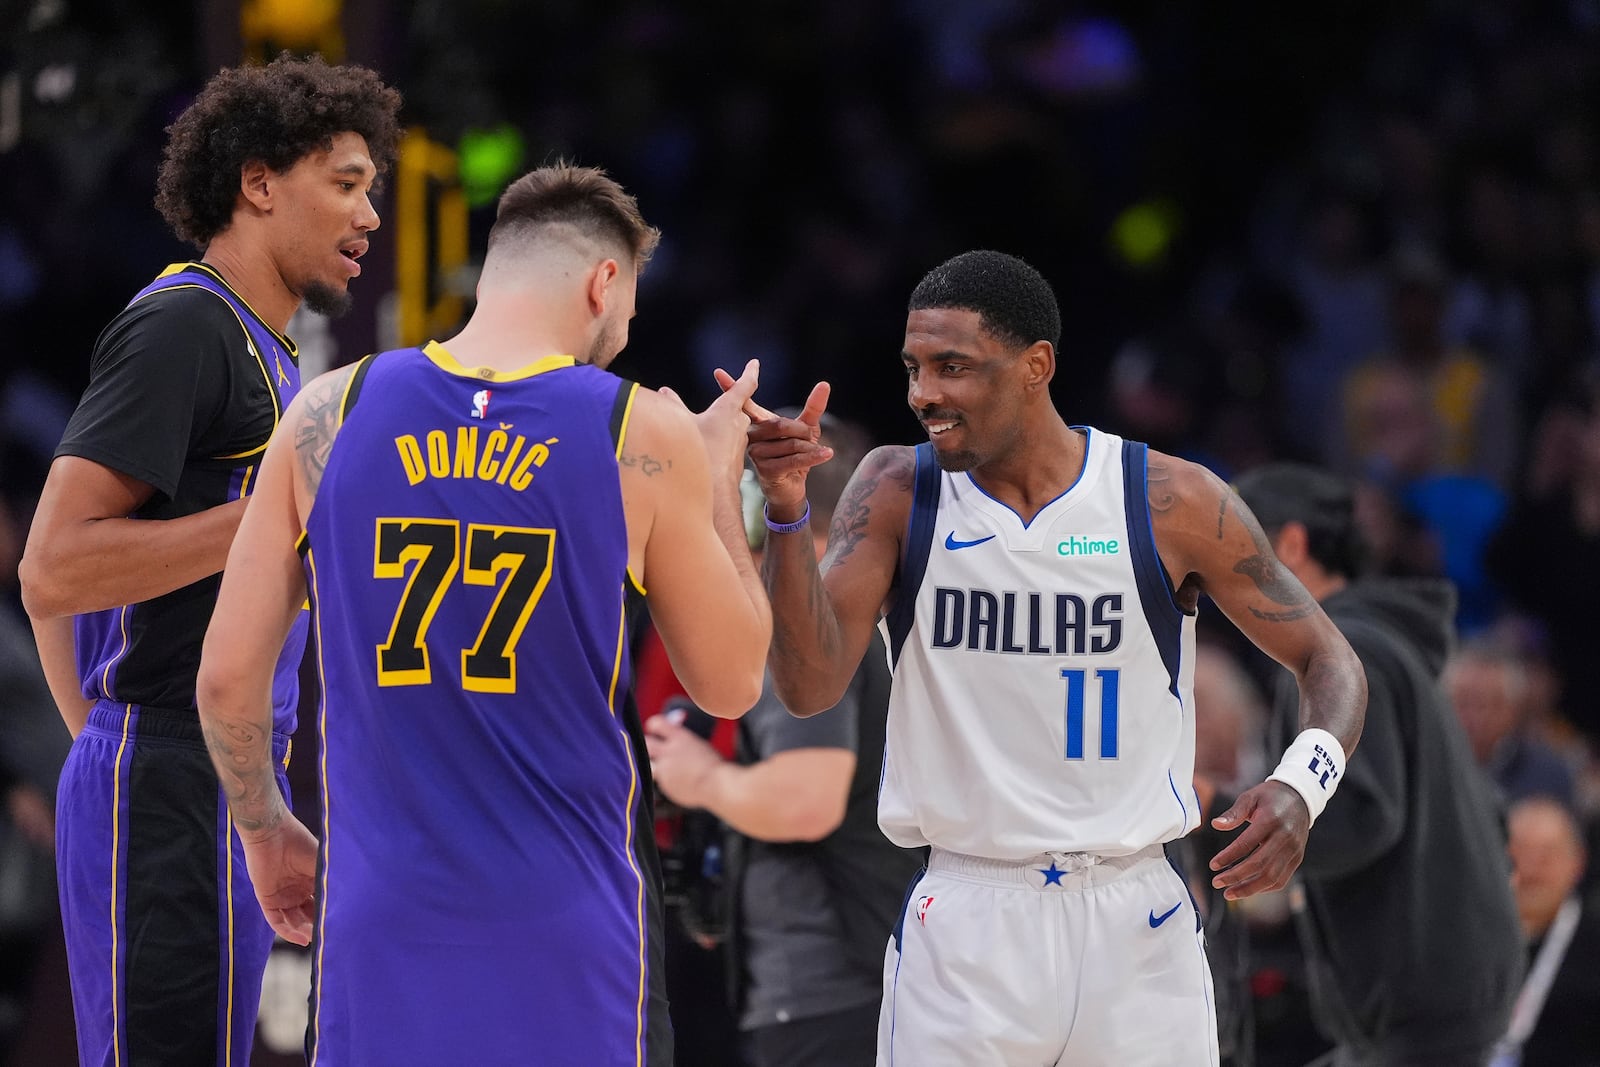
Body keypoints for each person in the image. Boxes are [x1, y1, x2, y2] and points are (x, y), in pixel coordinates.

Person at [194, 162, 772, 1066]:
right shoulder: (636, 433)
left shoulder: (326, 412)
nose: (616, 342)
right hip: (570, 929)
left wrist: (265, 832)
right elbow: (733, 682)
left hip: (379, 929)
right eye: (621, 323)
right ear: (602, 280)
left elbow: (228, 678)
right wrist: (714, 475)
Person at [736, 249, 1368, 1065]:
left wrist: (1301, 786)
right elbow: (809, 684)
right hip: (968, 914)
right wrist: (786, 517)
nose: (922, 392)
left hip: (1137, 914)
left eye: (951, 366)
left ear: (1037, 366)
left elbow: (1330, 658)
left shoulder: (1166, 498)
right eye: (913, 367)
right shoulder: (897, 490)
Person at [16, 54, 401, 1067]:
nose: (371, 217)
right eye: (349, 182)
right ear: (259, 181)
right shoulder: (185, 322)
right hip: (166, 770)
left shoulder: (268, 350)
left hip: (203, 775)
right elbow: (52, 569)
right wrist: (115, 745)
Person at [647, 412, 925, 1067]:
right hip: (895, 974)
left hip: (831, 996)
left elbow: (807, 799)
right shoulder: (883, 614)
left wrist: (700, 778)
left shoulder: (804, 623)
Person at [1232, 461, 1522, 1067]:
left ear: (1290, 544)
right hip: (1449, 993)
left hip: (1418, 1009)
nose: (1212, 563)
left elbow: (1361, 819)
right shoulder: (1387, 644)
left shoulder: (1339, 659)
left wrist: (1222, 819)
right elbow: (1487, 812)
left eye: (1230, 539)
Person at [1493, 796, 1600, 1067]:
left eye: (1546, 855)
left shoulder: (1592, 945)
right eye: (1518, 853)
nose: (1530, 869)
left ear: (1577, 863)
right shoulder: (1465, 939)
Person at [1445, 640, 1577, 810]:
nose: (1473, 717)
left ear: (1512, 710)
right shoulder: (1425, 763)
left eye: (1484, 705)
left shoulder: (1548, 774)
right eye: (1463, 703)